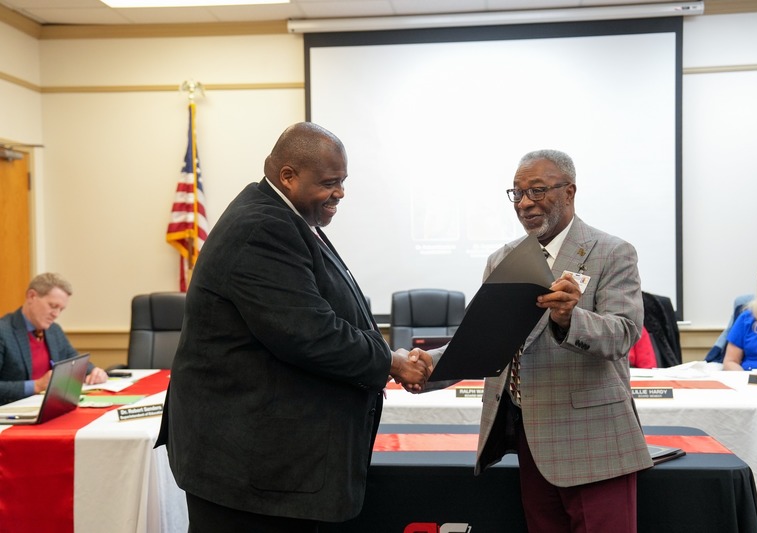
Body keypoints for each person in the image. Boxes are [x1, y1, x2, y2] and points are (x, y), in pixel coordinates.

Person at [155, 122, 432, 532]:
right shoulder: (262, 227)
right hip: (250, 472)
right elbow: (310, 333)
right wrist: (392, 361)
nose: (340, 193)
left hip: (267, 468)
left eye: (343, 182)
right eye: (329, 182)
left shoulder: (288, 218)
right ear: (288, 176)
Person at [418, 149, 652, 532]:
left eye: (538, 191)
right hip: (532, 441)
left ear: (569, 192)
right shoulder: (502, 259)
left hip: (594, 442)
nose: (525, 203)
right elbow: (486, 340)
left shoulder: (611, 252)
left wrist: (568, 319)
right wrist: (426, 366)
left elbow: (623, 333)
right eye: (517, 193)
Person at [0, 272, 107, 405]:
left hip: (48, 407)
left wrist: (94, 371)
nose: (56, 314)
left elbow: (73, 359)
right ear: (31, 296)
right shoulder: (4, 331)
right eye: (53, 306)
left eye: (61, 309)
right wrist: (37, 386)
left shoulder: (53, 330)